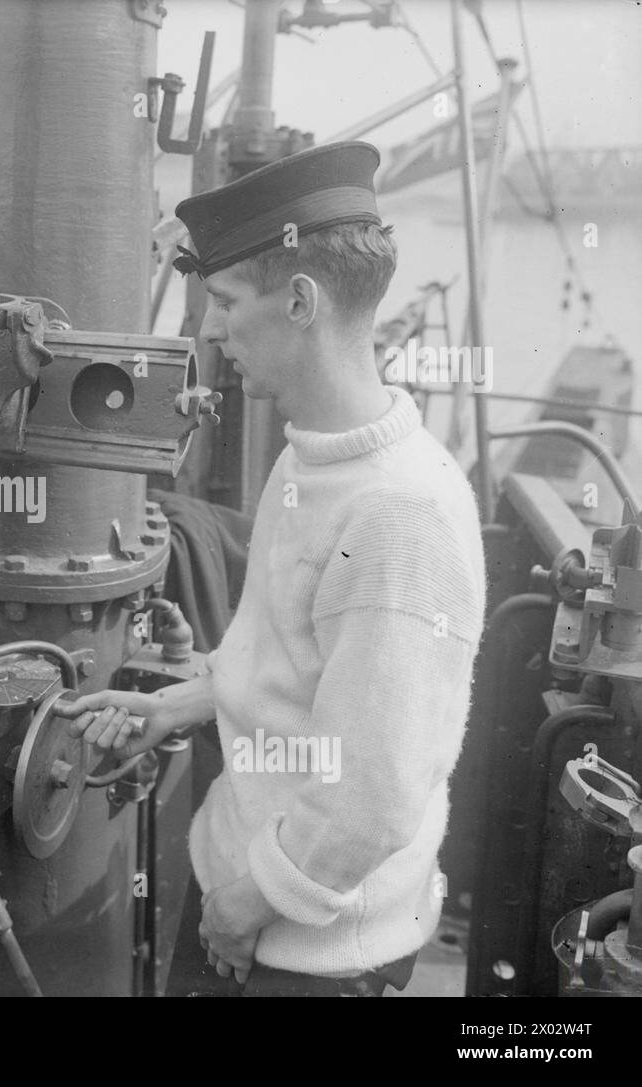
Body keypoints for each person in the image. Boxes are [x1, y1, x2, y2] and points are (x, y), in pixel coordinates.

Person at [57, 141, 486, 997]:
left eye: (223, 301)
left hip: (309, 952)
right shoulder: (310, 458)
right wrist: (172, 703)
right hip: (251, 900)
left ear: (299, 302)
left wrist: (246, 906)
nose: (209, 330)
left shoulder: (400, 517)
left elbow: (373, 794)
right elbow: (287, 667)